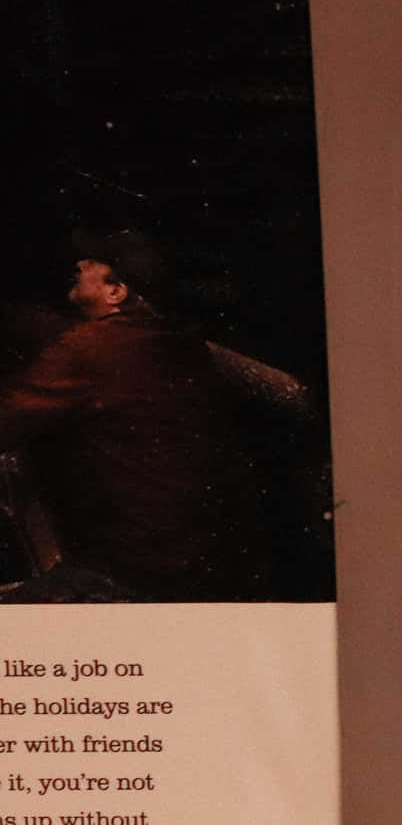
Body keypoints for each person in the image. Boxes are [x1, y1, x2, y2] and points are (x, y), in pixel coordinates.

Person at [0, 230, 270, 602]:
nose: (79, 265)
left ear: (116, 292)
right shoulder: (178, 344)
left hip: (130, 574)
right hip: (206, 568)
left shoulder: (91, 348)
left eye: (92, 260)